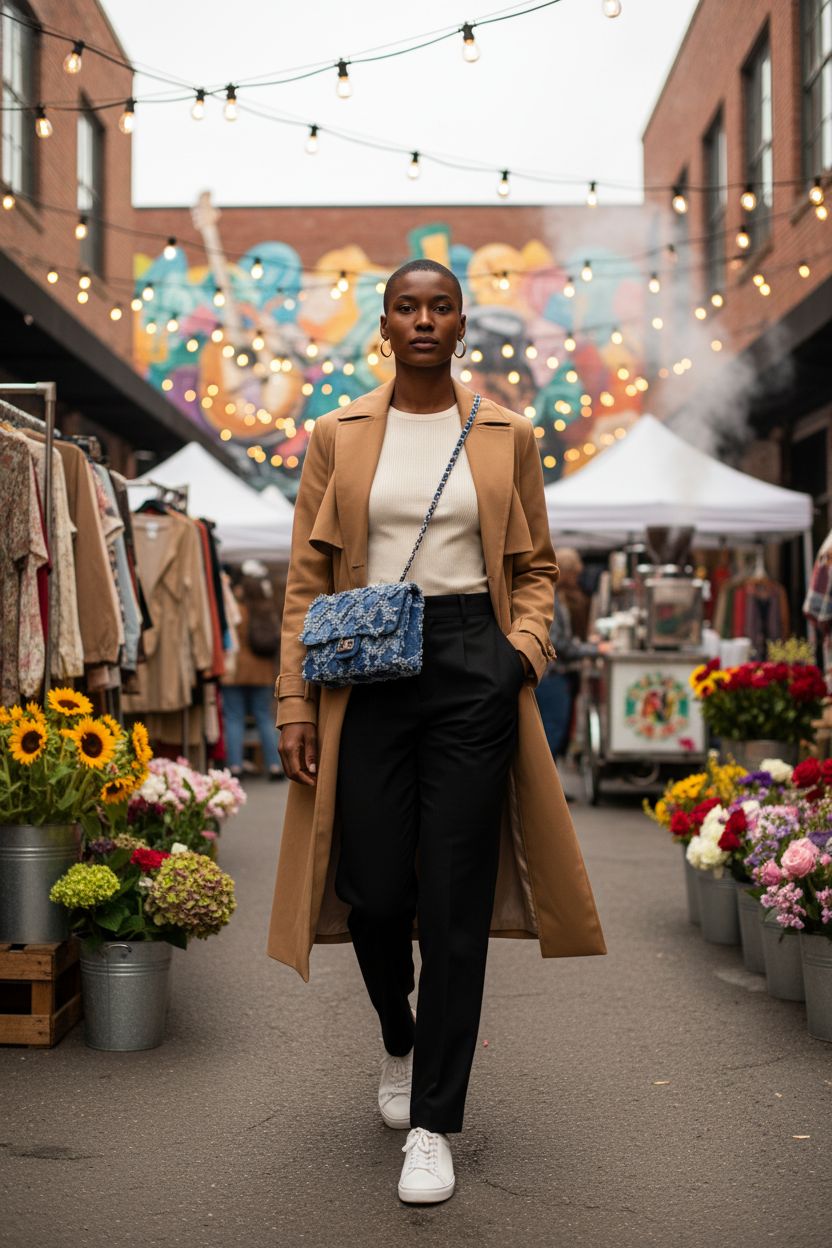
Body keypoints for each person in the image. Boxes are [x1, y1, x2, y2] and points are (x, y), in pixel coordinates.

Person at [269, 259, 606, 1205]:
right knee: (374, 891)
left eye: (441, 306)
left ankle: (433, 1121)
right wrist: (294, 700)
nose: (425, 320)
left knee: (453, 900)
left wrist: (519, 655)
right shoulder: (336, 434)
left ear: (462, 325)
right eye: (408, 307)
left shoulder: (507, 434)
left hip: (470, 662)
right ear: (385, 325)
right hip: (370, 665)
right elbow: (305, 577)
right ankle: (398, 1035)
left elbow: (536, 565)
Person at [535, 557, 607, 797]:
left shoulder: (552, 596)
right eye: (574, 573)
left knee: (552, 733)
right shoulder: (552, 599)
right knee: (553, 732)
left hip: (551, 676)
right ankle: (544, 792)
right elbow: (560, 645)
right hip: (553, 676)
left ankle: (547, 790)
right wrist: (594, 649)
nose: (577, 578)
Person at [222, 560, 284, 781]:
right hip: (262, 671)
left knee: (234, 717)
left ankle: (235, 766)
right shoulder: (266, 609)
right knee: (264, 717)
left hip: (235, 672)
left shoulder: (235, 610)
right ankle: (275, 766)